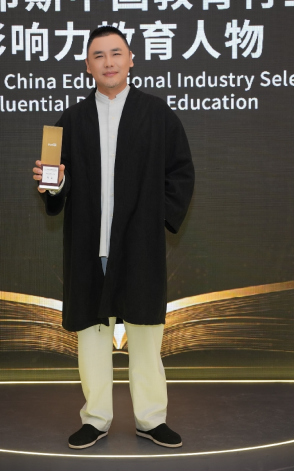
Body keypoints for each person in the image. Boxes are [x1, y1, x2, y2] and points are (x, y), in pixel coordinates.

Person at [32, 26, 195, 450]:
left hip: (138, 244)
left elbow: (180, 172)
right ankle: (96, 417)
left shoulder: (157, 114)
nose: (108, 62)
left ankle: (151, 419)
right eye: (99, 55)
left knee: (145, 335)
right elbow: (58, 181)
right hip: (91, 245)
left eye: (116, 53)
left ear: (131, 60)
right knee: (92, 337)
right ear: (87, 66)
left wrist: (155, 218)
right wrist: (54, 183)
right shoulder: (72, 120)